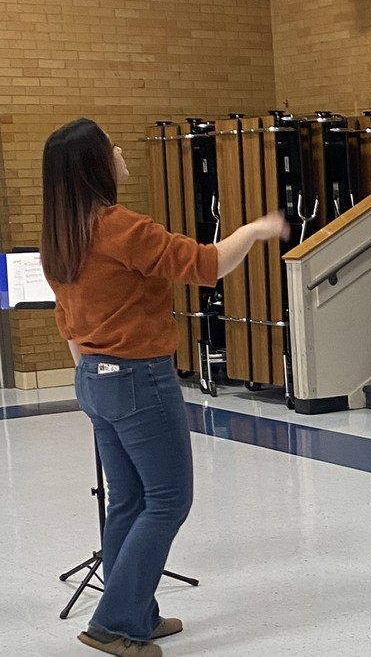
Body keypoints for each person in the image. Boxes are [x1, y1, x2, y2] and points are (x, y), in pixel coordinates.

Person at [40, 118, 290, 657]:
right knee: (170, 498)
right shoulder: (122, 228)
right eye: (111, 144)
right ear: (94, 164)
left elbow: (69, 324)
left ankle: (138, 611)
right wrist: (256, 229)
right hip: (139, 379)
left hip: (95, 378)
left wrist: (94, 381)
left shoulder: (59, 238)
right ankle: (114, 624)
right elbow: (207, 264)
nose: (120, 147)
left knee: (127, 499)